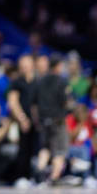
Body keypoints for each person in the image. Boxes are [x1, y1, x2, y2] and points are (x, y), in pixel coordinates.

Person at [35, 57, 70, 185]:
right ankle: (54, 178)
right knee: (59, 150)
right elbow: (65, 101)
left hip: (43, 119)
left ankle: (39, 171)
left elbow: (35, 102)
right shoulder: (62, 81)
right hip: (58, 120)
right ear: (58, 66)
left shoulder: (40, 80)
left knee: (45, 147)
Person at [7, 54, 39, 186]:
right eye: (22, 65)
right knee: (23, 149)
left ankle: (34, 176)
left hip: (36, 122)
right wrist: (22, 118)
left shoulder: (38, 82)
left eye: (27, 64)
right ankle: (21, 177)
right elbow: (13, 101)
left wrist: (38, 120)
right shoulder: (17, 82)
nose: (24, 67)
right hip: (23, 121)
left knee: (36, 149)